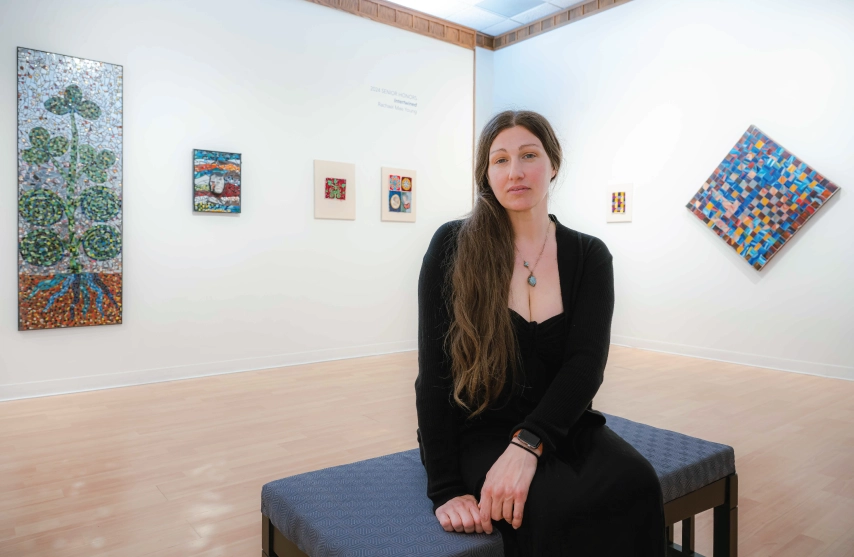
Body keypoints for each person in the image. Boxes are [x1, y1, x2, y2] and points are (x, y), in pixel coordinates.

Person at [415, 110, 666, 556]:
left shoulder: (589, 255)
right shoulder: (452, 246)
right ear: (485, 174)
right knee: (548, 505)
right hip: (480, 429)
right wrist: (445, 487)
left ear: (553, 164)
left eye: (529, 155)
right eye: (500, 160)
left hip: (562, 422)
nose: (515, 172)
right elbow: (433, 376)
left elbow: (585, 366)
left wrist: (528, 444)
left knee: (637, 481)